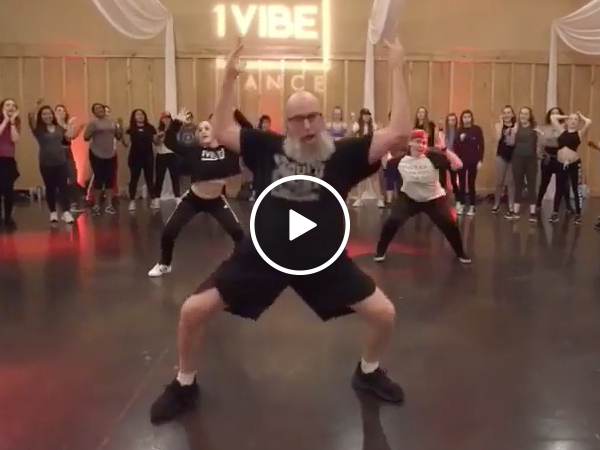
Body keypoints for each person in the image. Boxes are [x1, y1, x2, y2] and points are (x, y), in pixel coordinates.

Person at [149, 39, 410, 424]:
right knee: (192, 311)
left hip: (322, 261)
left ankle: (368, 372)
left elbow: (400, 132)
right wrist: (228, 79)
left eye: (313, 116)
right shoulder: (265, 146)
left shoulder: (344, 154)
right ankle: (184, 384)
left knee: (384, 314)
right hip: (262, 256)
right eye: (298, 119)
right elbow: (221, 129)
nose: (307, 126)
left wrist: (396, 67)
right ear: (286, 124)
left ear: (322, 118)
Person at [147, 111, 246, 277]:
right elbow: (170, 142)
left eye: (207, 128)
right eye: (200, 130)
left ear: (215, 132)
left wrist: (235, 115)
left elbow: (244, 138)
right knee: (169, 231)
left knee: (238, 233)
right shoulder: (195, 151)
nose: (203, 131)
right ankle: (164, 263)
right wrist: (177, 122)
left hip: (215, 201)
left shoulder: (227, 151)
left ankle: (243, 264)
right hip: (194, 199)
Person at [373, 128, 471, 263]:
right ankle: (380, 251)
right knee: (392, 221)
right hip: (409, 198)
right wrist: (384, 144)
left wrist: (444, 149)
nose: (421, 145)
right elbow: (385, 163)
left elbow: (458, 165)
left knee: (449, 224)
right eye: (418, 142)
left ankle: (461, 253)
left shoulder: (433, 158)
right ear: (410, 143)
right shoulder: (400, 161)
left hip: (433, 198)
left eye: (424, 143)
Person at [28, 102, 80, 223]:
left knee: (63, 187)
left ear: (53, 115)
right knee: (50, 187)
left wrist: (71, 125)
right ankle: (53, 212)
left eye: (49, 114)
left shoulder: (59, 128)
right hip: (46, 163)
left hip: (61, 161)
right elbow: (30, 119)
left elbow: (69, 137)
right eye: (44, 114)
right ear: (41, 116)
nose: (48, 116)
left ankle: (66, 212)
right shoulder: (39, 130)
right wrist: (35, 107)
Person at [547, 111, 591, 224]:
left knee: (576, 189)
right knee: (559, 188)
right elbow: (553, 117)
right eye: (571, 119)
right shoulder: (561, 131)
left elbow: (589, 122)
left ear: (578, 123)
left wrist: (581, 117)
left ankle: (578, 214)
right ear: (567, 121)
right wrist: (566, 116)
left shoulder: (579, 134)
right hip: (561, 164)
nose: (573, 121)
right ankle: (555, 213)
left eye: (575, 120)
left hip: (574, 164)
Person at [83, 103, 123, 215]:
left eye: (100, 108)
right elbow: (86, 137)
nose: (99, 110)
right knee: (99, 180)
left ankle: (109, 205)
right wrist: (92, 131)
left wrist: (120, 127)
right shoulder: (93, 123)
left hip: (110, 154)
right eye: (96, 109)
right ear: (94, 113)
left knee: (109, 180)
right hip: (96, 153)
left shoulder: (112, 123)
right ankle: (96, 205)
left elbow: (118, 136)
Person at [123, 108, 158, 212]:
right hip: (135, 157)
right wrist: (122, 133)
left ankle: (153, 199)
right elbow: (126, 143)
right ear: (134, 117)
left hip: (148, 156)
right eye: (138, 115)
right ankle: (132, 201)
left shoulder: (150, 128)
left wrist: (160, 136)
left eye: (142, 114)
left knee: (150, 178)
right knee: (134, 179)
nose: (140, 116)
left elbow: (156, 142)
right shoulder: (131, 128)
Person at [454, 110, 484, 216]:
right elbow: (455, 146)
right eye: (465, 117)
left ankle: (472, 205)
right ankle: (462, 204)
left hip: (473, 160)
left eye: (468, 117)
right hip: (461, 160)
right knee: (461, 183)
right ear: (462, 119)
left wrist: (480, 160)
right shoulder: (459, 130)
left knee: (471, 183)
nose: (467, 119)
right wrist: (455, 160)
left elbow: (481, 145)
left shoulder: (477, 129)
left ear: (471, 118)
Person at [55, 104, 84, 212]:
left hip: (67, 151)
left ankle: (73, 203)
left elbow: (70, 137)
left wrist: (79, 129)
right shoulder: (54, 126)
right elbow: (66, 136)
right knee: (60, 178)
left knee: (72, 175)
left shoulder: (66, 124)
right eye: (58, 110)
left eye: (63, 110)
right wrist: (70, 125)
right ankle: (62, 205)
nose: (61, 112)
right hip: (58, 152)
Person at [153, 111, 182, 207]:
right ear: (161, 119)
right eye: (164, 118)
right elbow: (155, 143)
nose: (166, 120)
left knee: (175, 177)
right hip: (161, 154)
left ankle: (177, 197)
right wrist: (158, 137)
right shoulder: (158, 129)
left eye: (168, 118)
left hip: (172, 154)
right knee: (159, 178)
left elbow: (178, 125)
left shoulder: (174, 128)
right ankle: (157, 198)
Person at [0, 98, 20, 229]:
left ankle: (8, 216)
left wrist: (12, 122)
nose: (11, 107)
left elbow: (15, 139)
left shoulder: (15, 122)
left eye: (13, 105)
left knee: (8, 190)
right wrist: (5, 120)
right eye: (7, 105)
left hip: (8, 160)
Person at [492, 105, 516, 216]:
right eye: (504, 113)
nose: (507, 115)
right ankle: (496, 204)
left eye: (509, 112)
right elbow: (497, 138)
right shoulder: (498, 125)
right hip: (501, 155)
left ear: (512, 114)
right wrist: (501, 125)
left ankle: (511, 206)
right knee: (499, 181)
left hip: (513, 156)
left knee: (511, 182)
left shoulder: (516, 126)